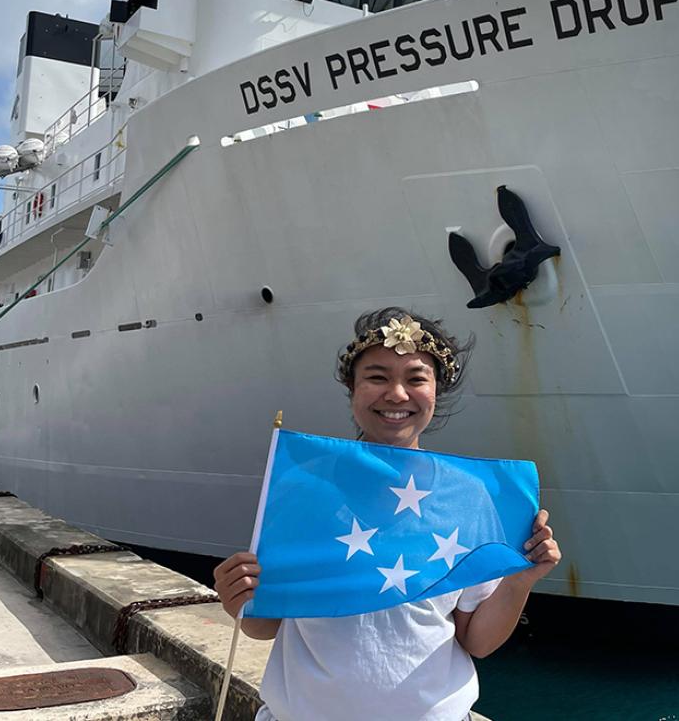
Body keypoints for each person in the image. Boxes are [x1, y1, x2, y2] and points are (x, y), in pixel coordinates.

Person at [214, 307, 561, 721]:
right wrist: (239, 596)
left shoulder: (468, 499)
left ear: (436, 390)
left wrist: (520, 581)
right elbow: (262, 626)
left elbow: (477, 642)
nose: (397, 394)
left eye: (416, 378)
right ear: (353, 389)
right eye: (377, 377)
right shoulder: (304, 488)